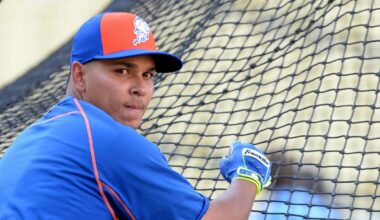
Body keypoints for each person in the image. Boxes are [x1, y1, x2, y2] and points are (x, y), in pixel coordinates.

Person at [0, 12, 271, 219]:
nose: (140, 88)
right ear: (80, 75)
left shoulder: (36, 136)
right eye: (122, 71)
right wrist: (248, 176)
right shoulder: (105, 140)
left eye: (148, 75)